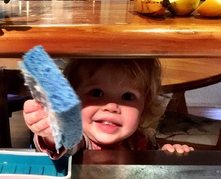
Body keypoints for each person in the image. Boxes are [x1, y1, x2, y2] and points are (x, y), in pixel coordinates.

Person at [23, 57, 194, 157]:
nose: (111, 106)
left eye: (127, 96)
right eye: (97, 93)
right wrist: (51, 130)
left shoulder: (139, 141)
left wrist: (167, 156)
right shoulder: (82, 139)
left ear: (145, 107)